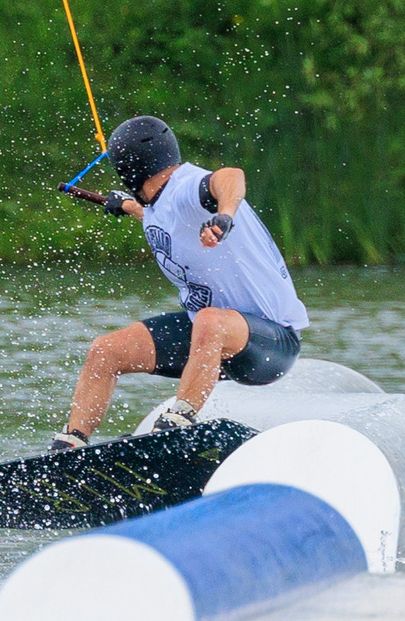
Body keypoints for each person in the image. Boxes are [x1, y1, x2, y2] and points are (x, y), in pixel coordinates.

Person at [50, 115, 309, 451]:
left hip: (270, 343)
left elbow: (231, 177)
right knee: (106, 350)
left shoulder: (186, 187)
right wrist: (126, 206)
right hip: (208, 339)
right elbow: (162, 217)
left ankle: (178, 422)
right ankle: (70, 447)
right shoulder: (156, 203)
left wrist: (225, 215)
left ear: (129, 170)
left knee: (209, 319)